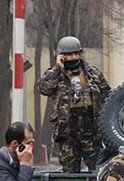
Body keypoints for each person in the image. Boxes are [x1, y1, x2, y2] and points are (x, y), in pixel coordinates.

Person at [38, 36, 111, 173]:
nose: (73, 57)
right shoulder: (56, 75)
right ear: (61, 56)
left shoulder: (93, 73)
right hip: (68, 135)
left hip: (91, 133)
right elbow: (43, 88)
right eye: (69, 54)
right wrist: (57, 68)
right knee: (69, 174)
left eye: (76, 53)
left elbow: (108, 96)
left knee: (98, 172)